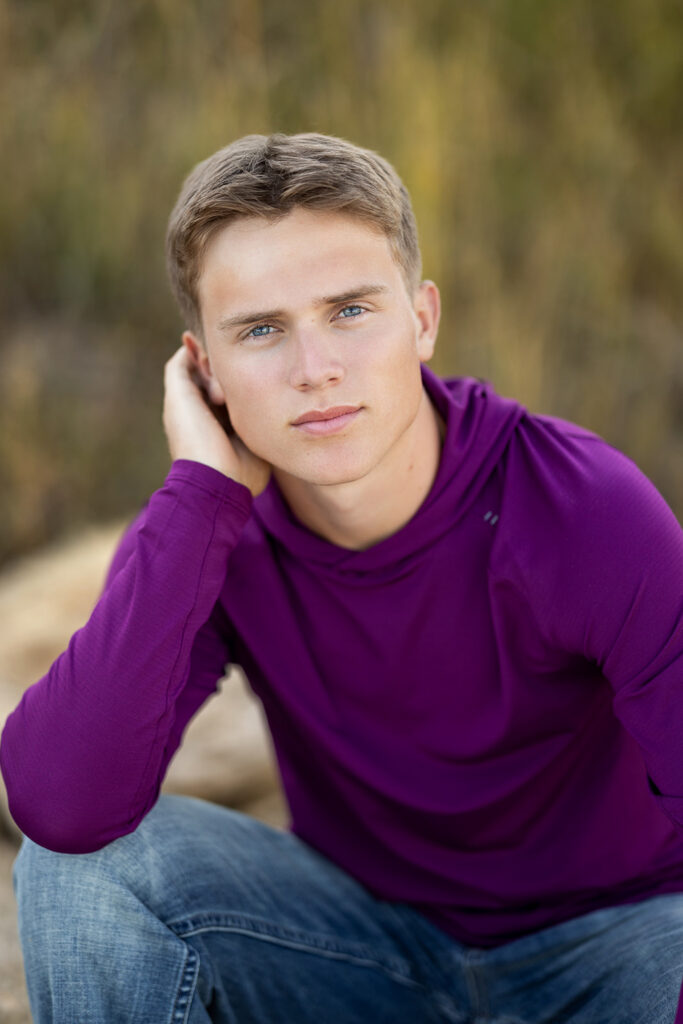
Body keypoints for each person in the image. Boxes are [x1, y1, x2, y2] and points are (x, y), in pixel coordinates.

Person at [2, 131, 682, 1024]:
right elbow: (62, 808)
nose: (314, 370)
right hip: (362, 952)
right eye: (260, 330)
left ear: (422, 319)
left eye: (350, 310)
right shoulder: (208, 535)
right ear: (203, 369)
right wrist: (200, 497)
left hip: (620, 947)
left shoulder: (581, 510)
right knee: (83, 869)